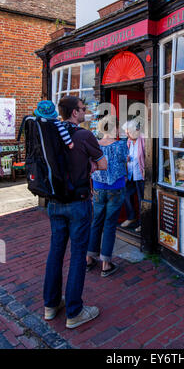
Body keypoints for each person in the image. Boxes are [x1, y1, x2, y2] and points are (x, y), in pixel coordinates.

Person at [43, 96, 107, 329]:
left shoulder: (51, 134)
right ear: (73, 113)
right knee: (78, 255)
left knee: (56, 253)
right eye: (83, 109)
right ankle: (74, 311)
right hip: (78, 203)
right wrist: (89, 164)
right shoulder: (83, 135)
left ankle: (50, 306)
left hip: (54, 202)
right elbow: (103, 165)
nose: (85, 112)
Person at [86, 115, 128, 277]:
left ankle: (89, 258)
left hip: (98, 188)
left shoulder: (94, 145)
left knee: (96, 222)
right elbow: (126, 160)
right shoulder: (120, 145)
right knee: (110, 225)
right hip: (116, 187)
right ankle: (105, 264)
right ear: (114, 128)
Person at [120, 119, 145, 233]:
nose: (126, 134)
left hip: (140, 174)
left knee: (142, 199)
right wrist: (126, 158)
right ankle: (131, 217)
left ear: (136, 130)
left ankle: (143, 223)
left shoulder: (144, 139)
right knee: (126, 195)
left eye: (128, 131)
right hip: (130, 173)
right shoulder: (129, 141)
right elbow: (126, 154)